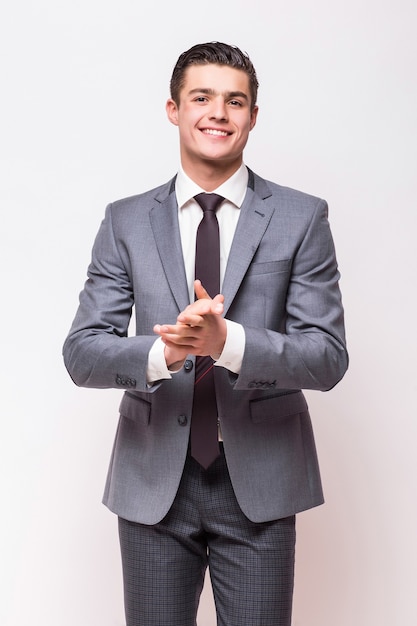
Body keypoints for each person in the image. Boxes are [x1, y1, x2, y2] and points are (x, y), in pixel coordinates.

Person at [63, 41, 348, 626]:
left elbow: (327, 356)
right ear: (173, 109)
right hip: (152, 481)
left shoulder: (302, 217)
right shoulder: (126, 221)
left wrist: (229, 346)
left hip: (261, 484)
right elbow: (83, 353)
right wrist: (165, 351)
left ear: (253, 116)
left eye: (235, 101)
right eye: (202, 97)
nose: (218, 112)